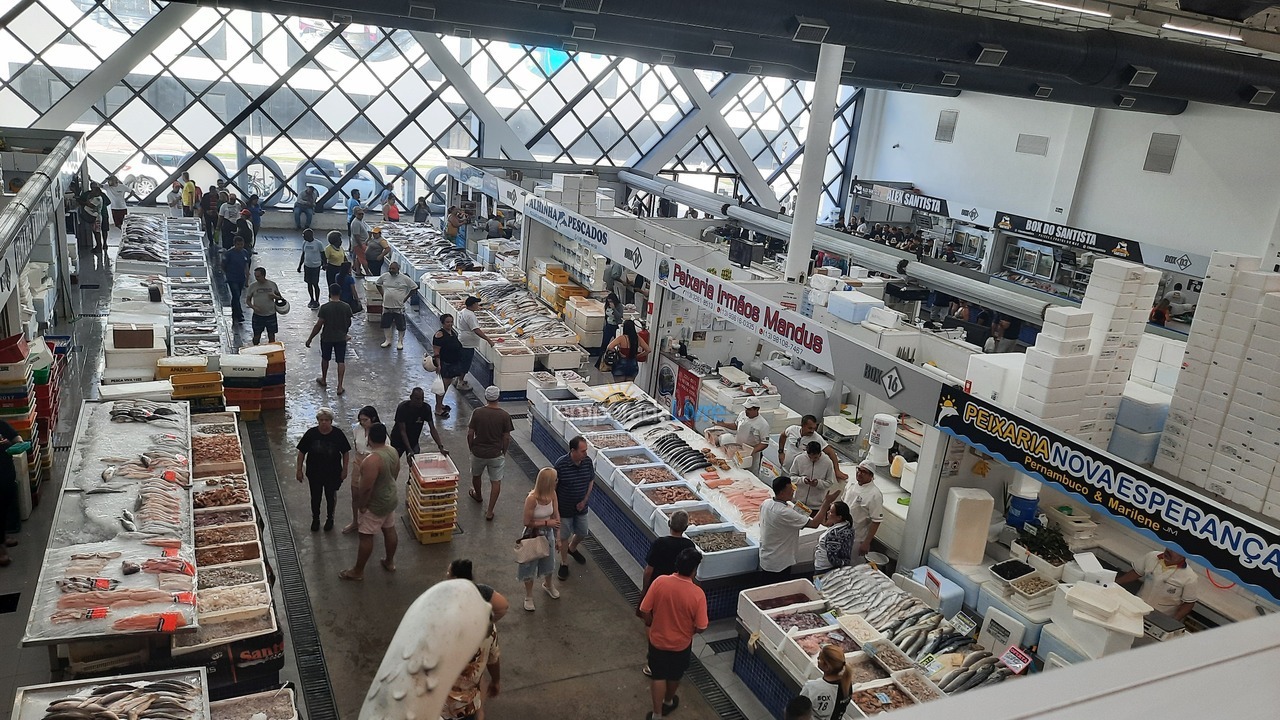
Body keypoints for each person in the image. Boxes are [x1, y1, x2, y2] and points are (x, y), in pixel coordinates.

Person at [638, 548, 708, 720]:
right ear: (694, 570)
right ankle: (668, 702)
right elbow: (702, 626)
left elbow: (644, 609)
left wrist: (652, 623)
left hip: (658, 641)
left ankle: (656, 715)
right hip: (681, 645)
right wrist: (690, 631)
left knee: (658, 676)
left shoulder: (660, 582)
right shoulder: (697, 594)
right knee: (674, 675)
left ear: (677, 565)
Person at [341, 422, 399, 580]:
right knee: (389, 529)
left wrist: (362, 505)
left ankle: (358, 571)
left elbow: (366, 488)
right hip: (390, 498)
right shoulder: (393, 451)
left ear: (369, 439)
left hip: (376, 504)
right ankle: (389, 562)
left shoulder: (371, 461)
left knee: (366, 536)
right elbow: (396, 472)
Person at [639, 511, 695, 671]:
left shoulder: (660, 543)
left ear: (669, 524)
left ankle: (654, 658)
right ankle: (671, 659)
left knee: (651, 622)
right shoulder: (689, 546)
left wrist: (645, 589)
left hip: (658, 590)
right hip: (680, 592)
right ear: (686, 527)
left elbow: (649, 570)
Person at [441, 583, 502, 720]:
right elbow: (493, 660)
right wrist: (496, 681)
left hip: (437, 705)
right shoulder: (488, 631)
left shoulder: (440, 634)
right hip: (467, 706)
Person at [759, 476, 832, 580]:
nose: (793, 491)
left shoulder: (767, 503)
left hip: (767, 557)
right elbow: (814, 524)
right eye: (790, 490)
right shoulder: (784, 512)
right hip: (779, 563)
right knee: (779, 586)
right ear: (782, 493)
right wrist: (826, 504)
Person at [295, 407, 351, 532]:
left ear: (331, 421)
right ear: (318, 421)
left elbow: (345, 452)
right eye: (321, 420)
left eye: (326, 420)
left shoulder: (338, 434)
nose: (324, 422)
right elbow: (301, 452)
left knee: (330, 496)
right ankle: (315, 519)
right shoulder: (311, 434)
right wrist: (299, 469)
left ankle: (330, 518)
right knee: (315, 497)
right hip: (314, 473)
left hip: (333, 473)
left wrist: (345, 469)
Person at [465, 386, 512, 522]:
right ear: (498, 397)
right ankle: (490, 511)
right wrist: (503, 451)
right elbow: (506, 437)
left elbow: (470, 433)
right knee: (495, 481)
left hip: (478, 452)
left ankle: (478, 495)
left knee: (476, 475)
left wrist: (471, 448)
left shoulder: (477, 412)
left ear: (486, 397)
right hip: (496, 454)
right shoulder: (504, 415)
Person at [518, 468, 561, 611]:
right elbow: (526, 522)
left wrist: (558, 537)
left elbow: (556, 515)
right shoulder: (532, 499)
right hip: (533, 534)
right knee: (529, 565)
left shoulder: (552, 494)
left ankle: (548, 584)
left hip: (548, 534)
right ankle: (528, 596)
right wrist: (546, 523)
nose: (557, 482)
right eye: (555, 480)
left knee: (549, 562)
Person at [1115, 547, 1200, 620]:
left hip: (1161, 616)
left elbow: (1189, 604)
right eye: (1169, 547)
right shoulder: (1152, 556)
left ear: (1183, 556)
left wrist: (1173, 621)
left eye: (1175, 551)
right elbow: (1136, 572)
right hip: (1137, 606)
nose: (1169, 551)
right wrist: (1114, 583)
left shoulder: (1190, 577)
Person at [554, 436, 594, 581]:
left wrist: (584, 500)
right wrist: (555, 510)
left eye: (586, 450)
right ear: (573, 451)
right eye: (583, 451)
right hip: (564, 509)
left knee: (582, 532)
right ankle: (564, 562)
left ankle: (572, 548)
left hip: (581, 508)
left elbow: (591, 481)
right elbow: (554, 488)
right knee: (564, 536)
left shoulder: (587, 462)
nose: (585, 454)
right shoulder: (561, 465)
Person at [306, 284, 354, 395]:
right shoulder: (346, 307)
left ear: (330, 292)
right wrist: (344, 332)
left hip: (327, 338)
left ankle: (324, 379)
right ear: (340, 292)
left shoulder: (325, 307)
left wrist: (310, 339)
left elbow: (318, 325)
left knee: (325, 358)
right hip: (341, 338)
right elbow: (349, 322)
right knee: (340, 361)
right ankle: (340, 386)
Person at [342, 406, 380, 534]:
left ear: (373, 418)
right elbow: (356, 445)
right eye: (361, 420)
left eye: (365, 420)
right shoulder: (357, 429)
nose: (362, 423)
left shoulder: (379, 431)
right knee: (355, 494)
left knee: (370, 495)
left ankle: (369, 523)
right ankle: (355, 522)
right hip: (358, 463)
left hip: (373, 464)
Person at [779, 415, 848, 481]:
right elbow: (783, 436)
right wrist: (781, 452)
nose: (812, 431)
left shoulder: (817, 438)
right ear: (802, 425)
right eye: (810, 428)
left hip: (799, 477)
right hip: (785, 470)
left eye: (814, 428)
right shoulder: (792, 429)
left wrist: (837, 470)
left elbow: (831, 452)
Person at [712, 397, 771, 472]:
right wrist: (723, 424)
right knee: (734, 470)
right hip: (737, 450)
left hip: (750, 456)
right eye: (746, 408)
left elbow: (764, 443)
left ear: (757, 409)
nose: (746, 411)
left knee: (747, 473)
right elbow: (736, 426)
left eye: (749, 409)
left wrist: (751, 451)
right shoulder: (742, 414)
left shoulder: (763, 424)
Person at [843, 460, 884, 566]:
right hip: (841, 532)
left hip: (857, 538)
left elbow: (876, 521)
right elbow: (843, 503)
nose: (859, 473)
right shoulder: (851, 483)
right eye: (858, 470)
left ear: (871, 476)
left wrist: (866, 543)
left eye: (864, 472)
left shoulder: (875, 495)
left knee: (853, 565)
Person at [391, 387, 448, 457]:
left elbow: (432, 429)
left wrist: (440, 447)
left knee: (415, 460)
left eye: (422, 399)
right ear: (411, 397)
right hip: (398, 440)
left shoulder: (426, 408)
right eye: (417, 399)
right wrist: (409, 450)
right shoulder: (403, 408)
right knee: (395, 460)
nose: (420, 401)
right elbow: (402, 431)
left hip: (413, 440)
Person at [800, 645, 853, 720]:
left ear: (827, 667)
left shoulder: (812, 687)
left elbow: (799, 710)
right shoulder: (847, 685)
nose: (817, 659)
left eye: (819, 658)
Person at [455, 296, 495, 392]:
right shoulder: (470, 315)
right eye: (476, 304)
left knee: (462, 361)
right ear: (472, 305)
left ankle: (458, 379)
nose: (478, 305)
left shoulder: (464, 311)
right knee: (465, 363)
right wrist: (488, 339)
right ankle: (460, 382)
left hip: (463, 339)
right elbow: (476, 330)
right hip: (468, 343)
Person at [377, 261, 418, 349]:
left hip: (399, 307)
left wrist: (406, 298)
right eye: (390, 268)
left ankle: (400, 341)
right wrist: (383, 294)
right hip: (386, 305)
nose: (391, 270)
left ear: (398, 269)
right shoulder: (384, 276)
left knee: (401, 325)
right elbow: (378, 284)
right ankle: (388, 340)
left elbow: (414, 287)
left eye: (393, 269)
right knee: (386, 324)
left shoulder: (404, 278)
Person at [431, 313, 466, 416]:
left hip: (452, 363)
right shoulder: (439, 335)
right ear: (442, 323)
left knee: (447, 384)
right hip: (445, 364)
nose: (450, 324)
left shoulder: (451, 332)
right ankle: (438, 408)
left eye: (451, 322)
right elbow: (436, 352)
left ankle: (440, 404)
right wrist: (438, 365)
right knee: (442, 387)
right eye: (447, 322)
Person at [790, 441, 838, 511]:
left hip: (817, 506)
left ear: (820, 453)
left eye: (815, 457)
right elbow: (791, 477)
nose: (812, 460)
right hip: (799, 503)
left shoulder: (828, 462)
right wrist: (803, 480)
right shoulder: (799, 459)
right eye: (810, 457)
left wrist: (818, 483)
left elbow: (829, 482)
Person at [244, 266, 283, 345]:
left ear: (263, 275)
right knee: (256, 336)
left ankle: (272, 349)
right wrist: (254, 307)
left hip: (270, 314)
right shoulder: (253, 286)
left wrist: (275, 297)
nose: (256, 278)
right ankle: (255, 348)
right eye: (255, 276)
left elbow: (280, 298)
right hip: (258, 315)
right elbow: (248, 301)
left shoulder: (272, 285)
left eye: (258, 276)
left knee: (271, 336)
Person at [813, 502, 855, 574]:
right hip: (839, 566)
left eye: (831, 512)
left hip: (825, 568)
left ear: (839, 517)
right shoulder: (849, 526)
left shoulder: (834, 534)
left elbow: (833, 558)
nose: (828, 512)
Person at [0, 419, 20, 567]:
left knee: (6, 502)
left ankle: (2, 535)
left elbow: (11, 433)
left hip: (5, 472)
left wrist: (17, 440)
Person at [221, 236, 252, 323]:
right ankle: (240, 315)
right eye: (238, 244)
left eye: (241, 244)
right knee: (236, 295)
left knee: (236, 297)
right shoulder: (229, 254)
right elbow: (223, 265)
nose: (240, 246)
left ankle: (234, 313)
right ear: (234, 244)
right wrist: (227, 274)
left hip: (241, 278)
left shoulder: (245, 253)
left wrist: (247, 278)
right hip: (232, 278)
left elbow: (246, 266)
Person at [297, 228, 325, 308]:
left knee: (315, 284)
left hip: (315, 266)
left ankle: (317, 300)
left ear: (310, 235)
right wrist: (300, 266)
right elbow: (303, 255)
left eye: (304, 235)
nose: (303, 237)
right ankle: (311, 299)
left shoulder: (318, 243)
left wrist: (324, 264)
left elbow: (323, 255)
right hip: (307, 266)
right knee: (309, 283)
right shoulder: (304, 243)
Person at [597, 292, 623, 367]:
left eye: (611, 301)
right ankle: (600, 361)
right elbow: (606, 316)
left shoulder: (619, 306)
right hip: (608, 326)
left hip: (615, 326)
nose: (610, 303)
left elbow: (619, 316)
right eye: (608, 301)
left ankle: (617, 360)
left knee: (617, 344)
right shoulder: (607, 306)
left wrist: (614, 308)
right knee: (604, 343)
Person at [350, 206, 371, 276]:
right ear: (355, 214)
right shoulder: (356, 223)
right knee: (363, 258)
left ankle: (358, 271)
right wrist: (360, 245)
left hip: (362, 242)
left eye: (362, 214)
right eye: (359, 214)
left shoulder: (359, 221)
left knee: (358, 258)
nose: (361, 215)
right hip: (359, 243)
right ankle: (367, 272)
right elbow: (356, 236)